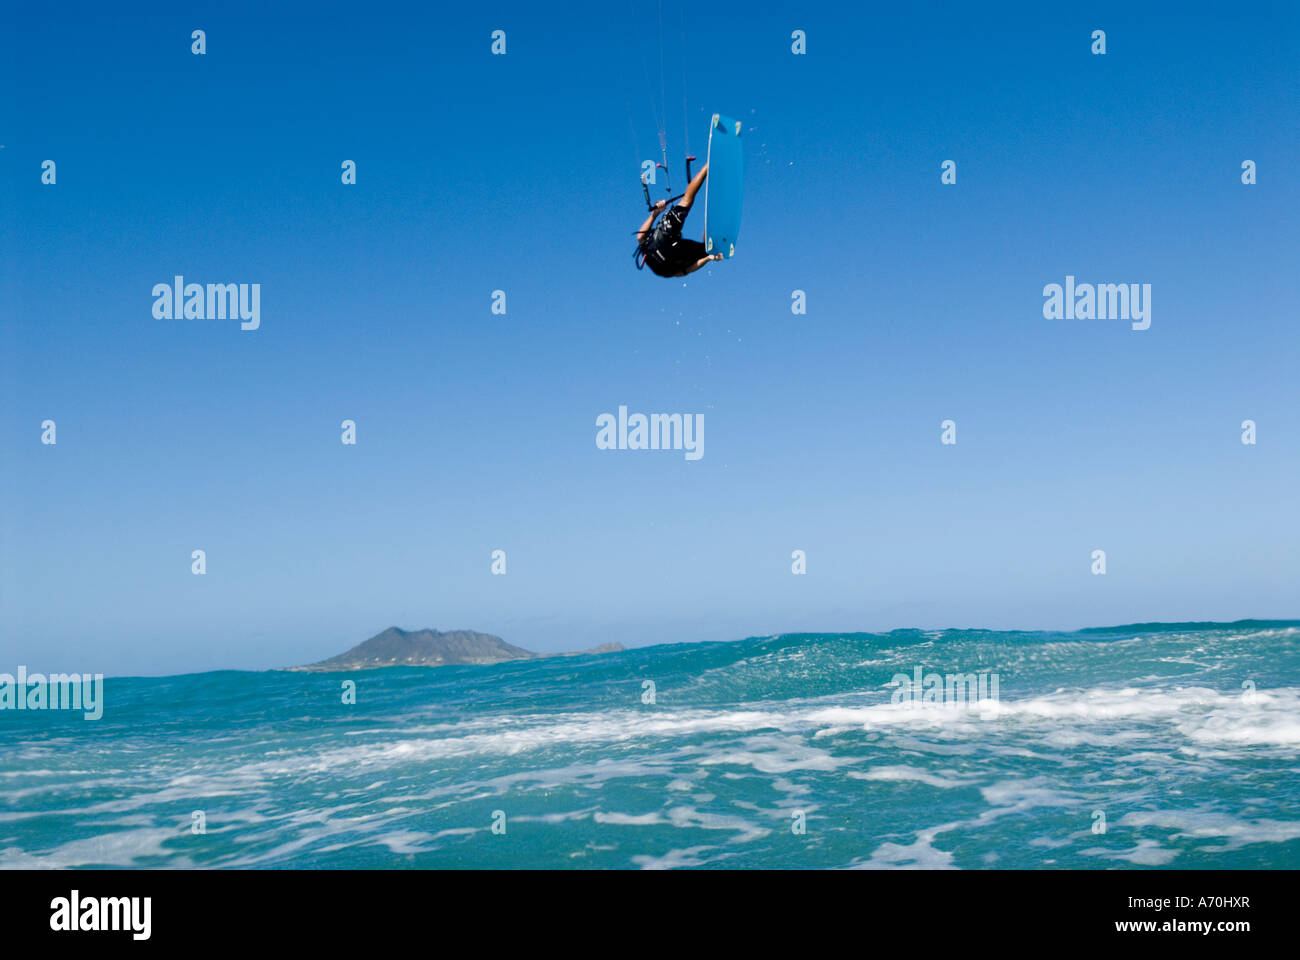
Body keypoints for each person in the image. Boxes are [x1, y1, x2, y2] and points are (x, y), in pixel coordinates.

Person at [635, 163, 724, 277]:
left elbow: (687, 271)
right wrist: (655, 214)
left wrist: (708, 259)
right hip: (665, 240)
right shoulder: (661, 267)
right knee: (686, 200)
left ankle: (713, 220)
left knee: (706, 250)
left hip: (671, 250)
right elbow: (640, 237)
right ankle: (708, 165)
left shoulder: (664, 272)